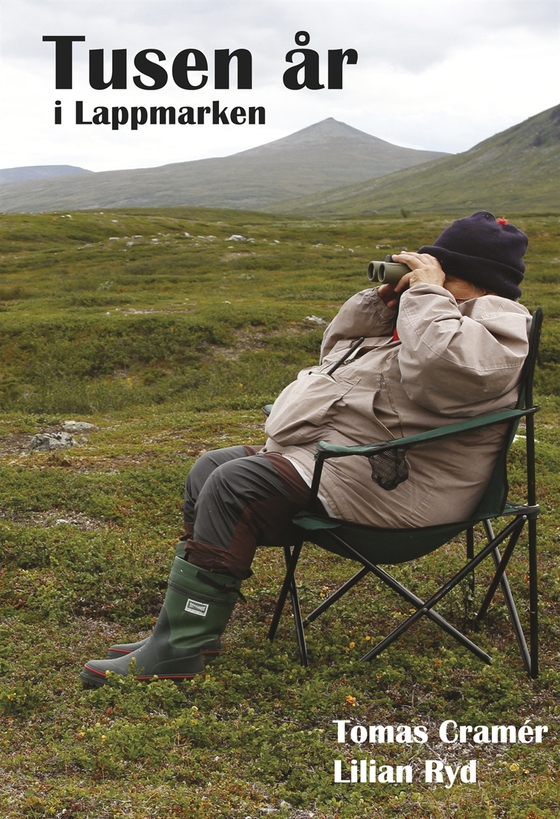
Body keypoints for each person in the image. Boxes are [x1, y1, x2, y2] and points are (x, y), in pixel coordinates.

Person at [80, 211, 532, 688]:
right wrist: (385, 304)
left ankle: (176, 654)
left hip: (403, 494)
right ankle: (185, 634)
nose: (423, 278)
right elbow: (334, 353)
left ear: (474, 281)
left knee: (240, 483)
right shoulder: (431, 316)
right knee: (211, 467)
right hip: (353, 467)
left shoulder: (495, 329)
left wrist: (424, 294)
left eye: (441, 271)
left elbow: (443, 368)